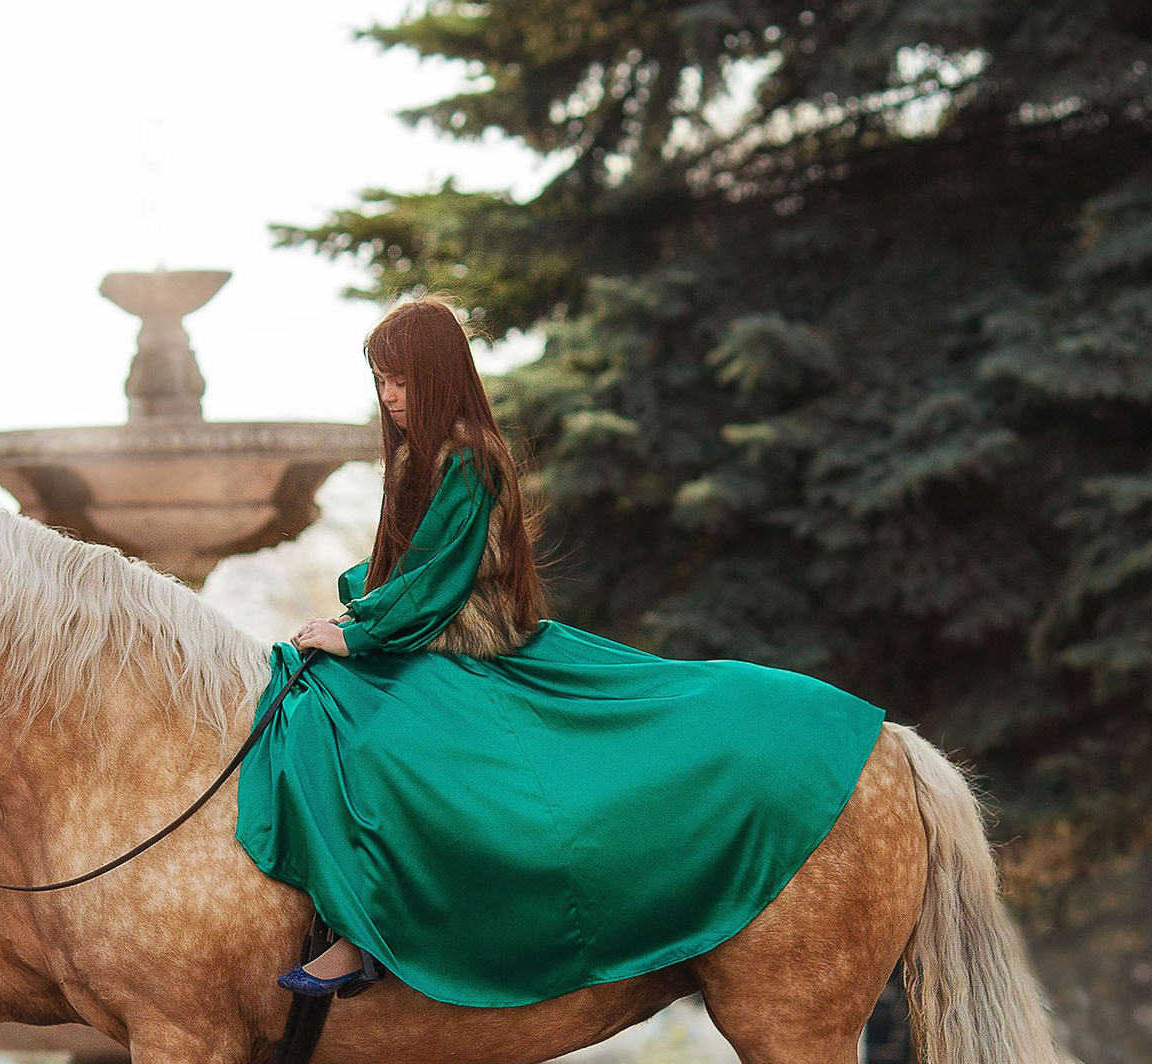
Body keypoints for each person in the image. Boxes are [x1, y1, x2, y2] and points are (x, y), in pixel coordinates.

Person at [238, 298, 888, 1008]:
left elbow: (441, 580)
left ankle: (371, 930)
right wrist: (351, 616)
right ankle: (346, 917)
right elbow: (402, 573)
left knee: (377, 737)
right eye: (380, 380)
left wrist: (359, 633)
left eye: (401, 379)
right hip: (422, 622)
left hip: (466, 634)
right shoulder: (413, 462)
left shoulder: (469, 456)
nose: (389, 396)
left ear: (437, 372)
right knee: (319, 698)